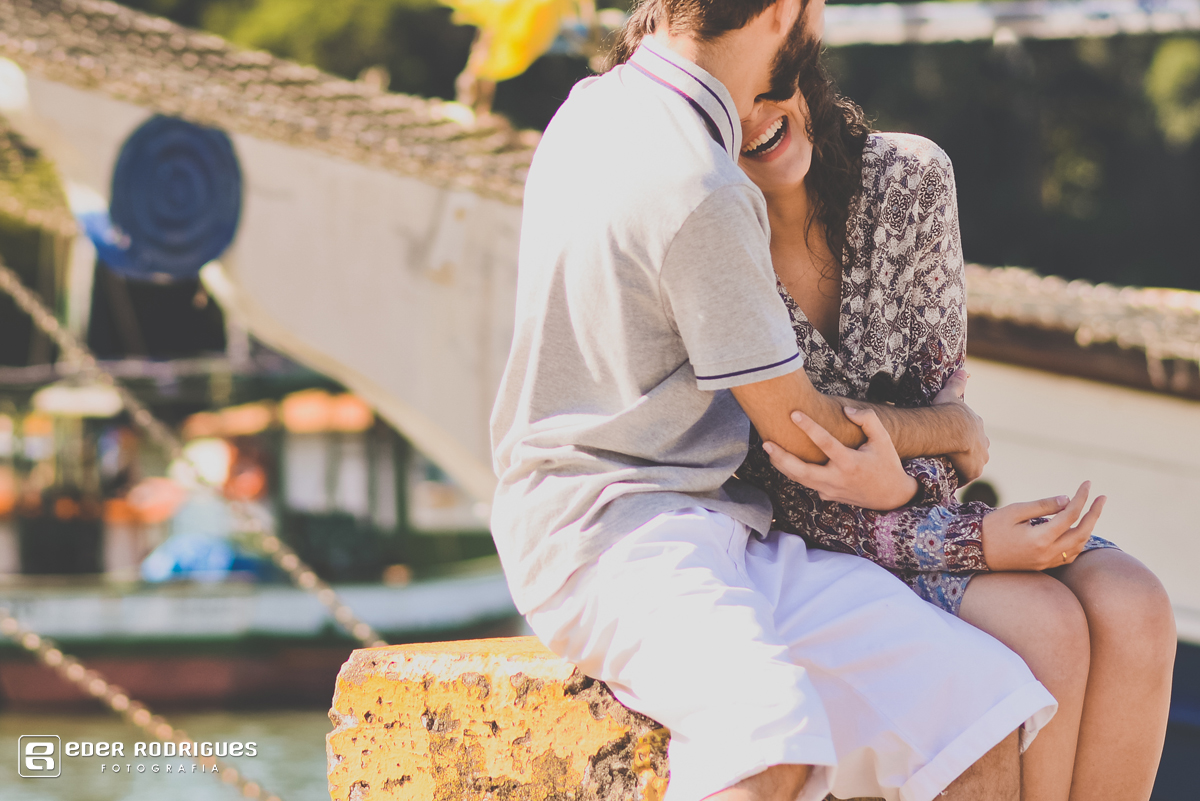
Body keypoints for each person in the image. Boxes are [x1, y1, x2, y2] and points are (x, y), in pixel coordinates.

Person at [491, 1, 1068, 799]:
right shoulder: (700, 184)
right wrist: (952, 426)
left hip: (717, 526)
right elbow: (803, 432)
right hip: (614, 537)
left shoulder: (595, 107)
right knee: (769, 740)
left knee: (976, 710)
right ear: (782, 11)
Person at [733, 42, 1177, 801]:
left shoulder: (908, 179)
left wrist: (922, 461)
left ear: (800, 69)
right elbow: (791, 478)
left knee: (1136, 605)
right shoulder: (713, 250)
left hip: (919, 515)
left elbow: (958, 440)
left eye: (767, 83)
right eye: (724, 105)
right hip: (804, 551)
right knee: (1047, 624)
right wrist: (962, 518)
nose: (754, 115)